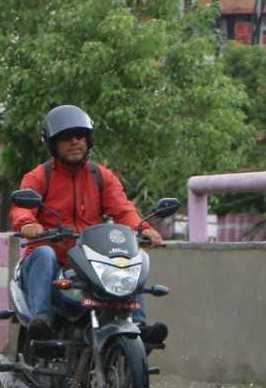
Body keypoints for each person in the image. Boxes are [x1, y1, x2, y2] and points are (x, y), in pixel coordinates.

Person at [10, 105, 164, 339]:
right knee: (44, 254)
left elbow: (123, 211)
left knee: (128, 259)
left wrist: (145, 229)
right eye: (65, 138)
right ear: (53, 144)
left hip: (88, 257)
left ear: (88, 140)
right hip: (51, 256)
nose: (74, 142)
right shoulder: (40, 176)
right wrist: (27, 224)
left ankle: (139, 326)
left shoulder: (100, 176)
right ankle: (42, 321)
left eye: (79, 136)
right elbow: (22, 207)